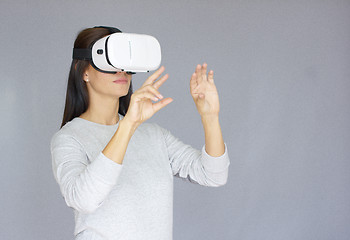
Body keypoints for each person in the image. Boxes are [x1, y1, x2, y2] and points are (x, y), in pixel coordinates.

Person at [51, 26, 230, 240]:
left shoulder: (155, 136)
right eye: (110, 61)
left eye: (124, 61)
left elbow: (214, 175)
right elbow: (84, 199)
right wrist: (128, 125)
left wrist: (210, 117)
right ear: (84, 71)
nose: (121, 70)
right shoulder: (69, 138)